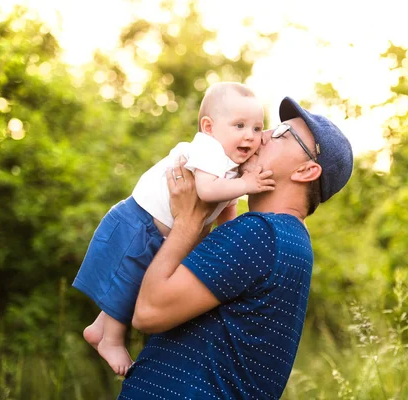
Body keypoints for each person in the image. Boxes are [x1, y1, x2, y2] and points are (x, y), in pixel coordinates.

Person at [117, 96, 354, 399]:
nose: (261, 136)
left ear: (306, 171)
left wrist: (186, 222)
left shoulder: (261, 232)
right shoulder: (289, 240)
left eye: (281, 133)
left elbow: (149, 312)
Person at [72, 82, 276, 375]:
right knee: (129, 278)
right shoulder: (209, 150)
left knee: (136, 285)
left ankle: (98, 328)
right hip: (139, 222)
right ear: (209, 127)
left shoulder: (232, 165)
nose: (250, 136)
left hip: (159, 232)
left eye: (258, 129)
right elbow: (207, 191)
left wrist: (230, 231)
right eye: (240, 125)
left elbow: (226, 204)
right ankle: (112, 340)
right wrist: (247, 184)